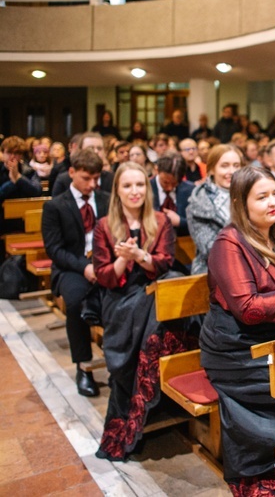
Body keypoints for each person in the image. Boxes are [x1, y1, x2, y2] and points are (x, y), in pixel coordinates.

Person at [200, 166, 275, 495]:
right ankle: (270, 464)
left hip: (272, 338)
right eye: (262, 197)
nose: (273, 202)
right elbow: (249, 308)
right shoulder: (228, 243)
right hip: (235, 348)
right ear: (241, 202)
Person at [93, 162, 197, 461]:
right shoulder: (104, 225)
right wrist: (124, 261)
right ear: (117, 191)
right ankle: (136, 397)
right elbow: (104, 277)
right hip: (121, 297)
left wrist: (141, 255)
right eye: (127, 186)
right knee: (157, 310)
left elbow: (164, 263)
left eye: (140, 184)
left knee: (168, 293)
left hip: (152, 288)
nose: (135, 191)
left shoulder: (161, 220)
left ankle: (156, 390)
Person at [42, 148, 110, 397]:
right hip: (71, 267)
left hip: (104, 264)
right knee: (77, 303)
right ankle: (83, 367)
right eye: (86, 178)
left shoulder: (105, 200)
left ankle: (118, 365)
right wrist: (84, 267)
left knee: (123, 299)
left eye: (96, 178)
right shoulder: (56, 207)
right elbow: (55, 249)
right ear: (71, 173)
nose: (92, 184)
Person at [187, 144, 244, 275]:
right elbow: (210, 249)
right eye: (224, 166)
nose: (232, 171)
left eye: (236, 165)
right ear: (211, 169)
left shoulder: (249, 194)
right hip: (213, 270)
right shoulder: (198, 203)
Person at [150, 151, 195, 236]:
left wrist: (180, 222)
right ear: (156, 170)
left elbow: (199, 223)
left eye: (175, 183)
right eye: (165, 182)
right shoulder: (145, 188)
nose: (170, 188)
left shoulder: (191, 190)